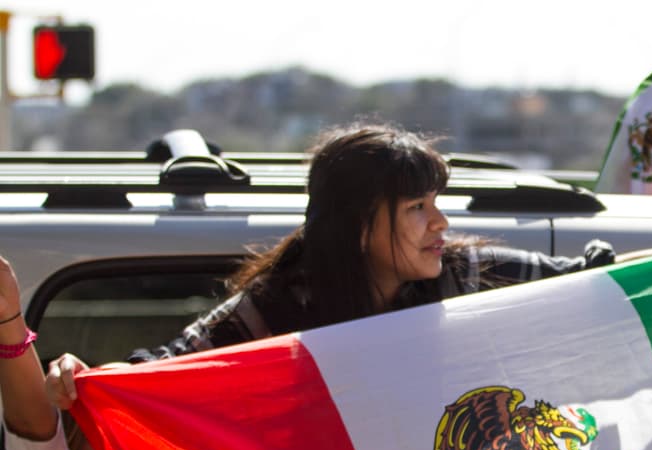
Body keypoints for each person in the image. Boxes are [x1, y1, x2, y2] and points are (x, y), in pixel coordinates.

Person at [46, 121, 616, 405]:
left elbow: (597, 278)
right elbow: (163, 376)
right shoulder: (276, 307)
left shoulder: (460, 273)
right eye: (418, 208)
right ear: (361, 225)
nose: (441, 224)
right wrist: (81, 375)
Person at [0, 256, 167, 450]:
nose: (117, 444)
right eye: (99, 428)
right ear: (68, 437)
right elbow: (35, 437)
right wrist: (9, 325)